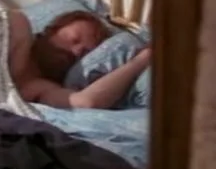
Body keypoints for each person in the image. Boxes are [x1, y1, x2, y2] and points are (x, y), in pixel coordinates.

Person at [8, 9, 152, 109]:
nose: (76, 52)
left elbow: (87, 101)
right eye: (74, 39)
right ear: (51, 30)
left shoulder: (41, 88)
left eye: (84, 53)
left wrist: (141, 60)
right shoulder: (18, 26)